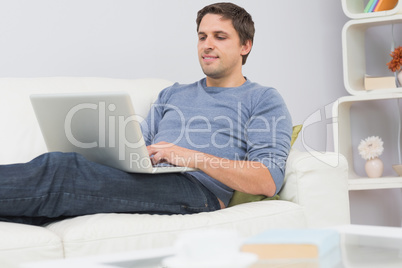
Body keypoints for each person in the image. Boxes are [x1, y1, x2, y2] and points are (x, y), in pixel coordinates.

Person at [0, 2, 292, 226]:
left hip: (198, 191)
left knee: (61, 171)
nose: (207, 45)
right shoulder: (173, 93)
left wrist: (190, 157)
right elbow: (139, 148)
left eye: (220, 37)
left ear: (245, 45)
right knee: (61, 176)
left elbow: (267, 180)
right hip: (151, 180)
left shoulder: (263, 99)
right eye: (202, 36)